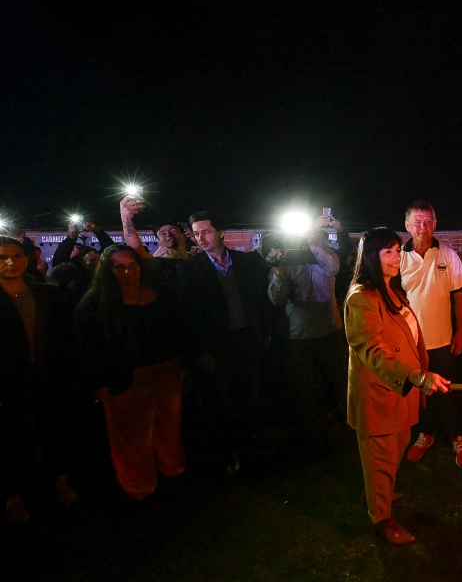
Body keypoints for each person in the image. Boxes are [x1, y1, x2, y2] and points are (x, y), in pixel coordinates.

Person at [345, 227, 451, 545]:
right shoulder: (362, 297)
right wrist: (416, 377)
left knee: (395, 448)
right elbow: (372, 352)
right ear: (370, 258)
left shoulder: (391, 290)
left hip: (400, 391)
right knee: (381, 454)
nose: (395, 257)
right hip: (380, 393)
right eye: (387, 252)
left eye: (396, 250)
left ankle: (378, 489)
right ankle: (382, 517)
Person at [74, 245, 185, 500]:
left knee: (168, 425)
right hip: (125, 378)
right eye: (118, 266)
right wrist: (100, 382)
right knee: (131, 436)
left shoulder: (159, 294)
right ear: (106, 270)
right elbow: (89, 349)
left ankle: (171, 468)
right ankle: (139, 483)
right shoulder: (94, 304)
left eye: (131, 265)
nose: (127, 271)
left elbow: (176, 329)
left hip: (165, 372)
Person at [176, 211, 275, 475]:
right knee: (220, 400)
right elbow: (189, 315)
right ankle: (228, 450)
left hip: (246, 339)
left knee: (248, 394)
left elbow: (258, 300)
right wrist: (201, 351)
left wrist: (263, 331)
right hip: (217, 346)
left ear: (221, 232)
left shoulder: (245, 262)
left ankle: (248, 439)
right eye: (196, 234)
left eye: (206, 232)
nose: (201, 238)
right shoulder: (189, 269)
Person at [0, 235, 76, 522]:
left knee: (53, 429)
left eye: (17, 256)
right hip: (8, 382)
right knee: (10, 438)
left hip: (47, 377)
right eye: (2, 257)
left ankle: (60, 479)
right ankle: (13, 495)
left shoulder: (45, 294)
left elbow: (64, 340)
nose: (11, 262)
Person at [400, 201, 462, 467]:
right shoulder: (399, 258)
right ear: (407, 225)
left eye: (428, 221)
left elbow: (460, 298)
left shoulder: (448, 255)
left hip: (442, 340)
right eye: (417, 222)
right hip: (410, 343)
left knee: (448, 390)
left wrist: (461, 333)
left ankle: (457, 436)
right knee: (418, 391)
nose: (423, 227)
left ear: (435, 224)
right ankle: (424, 434)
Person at [267, 214, 348, 445]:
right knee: (303, 386)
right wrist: (279, 271)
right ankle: (310, 430)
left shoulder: (326, 256)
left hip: (329, 331)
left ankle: (344, 419)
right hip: (298, 335)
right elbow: (276, 298)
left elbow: (332, 269)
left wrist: (313, 244)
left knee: (337, 380)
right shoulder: (286, 259)